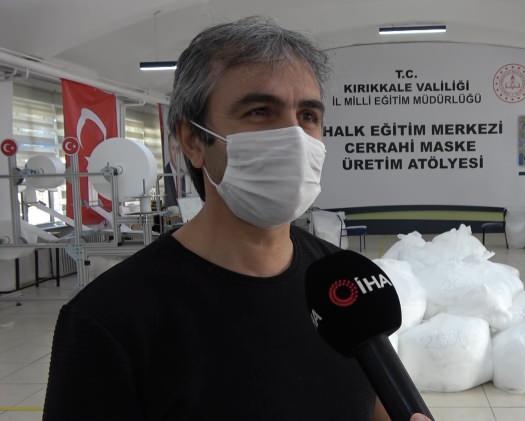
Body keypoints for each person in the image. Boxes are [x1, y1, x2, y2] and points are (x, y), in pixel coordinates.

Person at [43, 17, 429, 421]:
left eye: (308, 115)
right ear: (193, 140)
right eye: (260, 111)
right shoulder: (110, 319)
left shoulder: (344, 286)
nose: (295, 137)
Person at [163, 133, 185, 207]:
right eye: (173, 148)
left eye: (178, 148)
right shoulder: (163, 175)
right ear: (169, 150)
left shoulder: (186, 175)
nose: (176, 153)